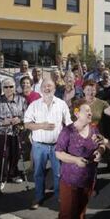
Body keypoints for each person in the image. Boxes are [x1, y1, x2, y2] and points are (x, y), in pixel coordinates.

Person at [24, 79, 72, 209]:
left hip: (58, 146)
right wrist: (42, 125)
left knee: (58, 173)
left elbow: (68, 124)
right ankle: (38, 197)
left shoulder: (61, 104)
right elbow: (27, 123)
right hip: (39, 145)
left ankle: (59, 196)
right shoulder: (34, 105)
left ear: (55, 88)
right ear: (40, 89)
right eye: (44, 86)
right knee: (38, 173)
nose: (47, 88)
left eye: (50, 86)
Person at [55, 99, 106, 219]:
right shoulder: (68, 131)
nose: (90, 113)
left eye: (90, 111)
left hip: (88, 180)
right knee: (67, 214)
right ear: (77, 113)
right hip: (70, 181)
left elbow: (102, 144)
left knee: (81, 212)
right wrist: (76, 160)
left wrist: (100, 151)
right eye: (87, 111)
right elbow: (58, 153)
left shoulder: (94, 129)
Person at [0, 78, 28, 192]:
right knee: (3, 156)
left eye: (11, 86)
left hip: (17, 132)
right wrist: (3, 122)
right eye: (6, 87)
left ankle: (13, 174)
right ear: (2, 88)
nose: (8, 89)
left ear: (15, 87)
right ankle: (2, 178)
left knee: (15, 154)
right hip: (3, 133)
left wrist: (19, 119)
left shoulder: (21, 100)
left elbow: (27, 115)